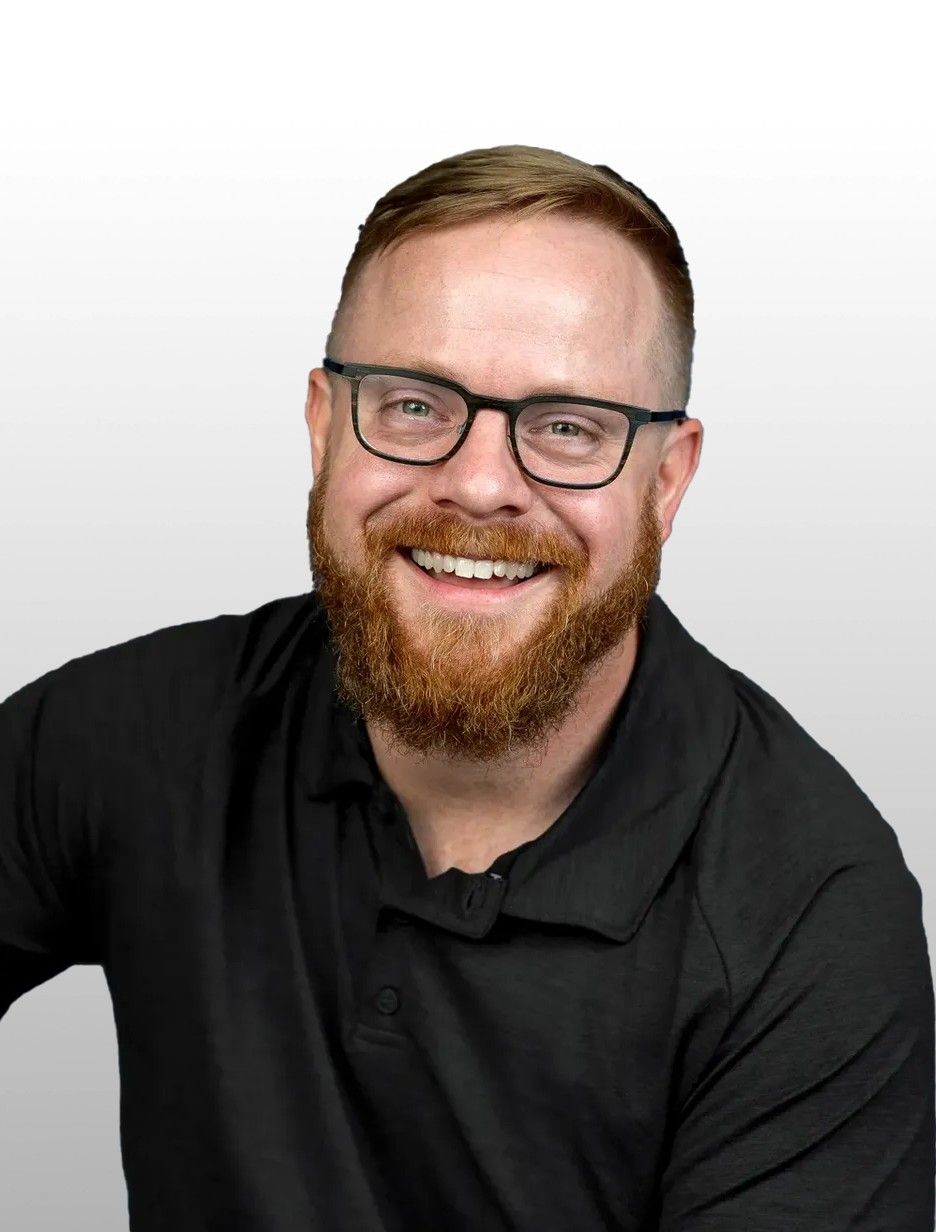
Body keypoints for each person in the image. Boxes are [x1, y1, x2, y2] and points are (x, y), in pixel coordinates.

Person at [0, 145, 932, 1231]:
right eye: (411, 405)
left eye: (569, 426)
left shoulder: (807, 912)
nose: (480, 483)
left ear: (666, 479)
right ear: (322, 424)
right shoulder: (134, 736)